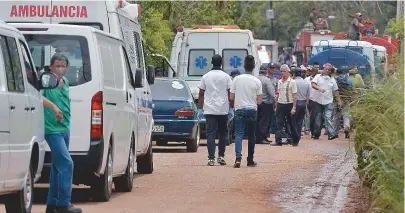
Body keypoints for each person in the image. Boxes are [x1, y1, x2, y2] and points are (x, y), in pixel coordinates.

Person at [42, 54, 82, 213]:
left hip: (64, 128)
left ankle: (52, 204)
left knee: (57, 167)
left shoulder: (64, 82)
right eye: (57, 65)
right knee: (66, 164)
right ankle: (64, 203)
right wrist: (53, 107)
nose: (60, 69)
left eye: (63, 66)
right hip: (51, 130)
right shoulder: (45, 81)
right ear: (51, 66)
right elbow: (37, 97)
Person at [198, 54, 233, 166]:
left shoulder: (206, 76)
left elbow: (201, 94)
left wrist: (200, 108)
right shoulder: (226, 77)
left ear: (212, 63)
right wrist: (231, 107)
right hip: (223, 109)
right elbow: (230, 93)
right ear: (221, 63)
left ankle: (211, 158)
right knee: (223, 133)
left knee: (210, 134)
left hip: (209, 109)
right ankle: (221, 157)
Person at [230, 55, 262, 168]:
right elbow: (259, 101)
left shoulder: (236, 79)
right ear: (253, 67)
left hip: (239, 109)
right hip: (252, 110)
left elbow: (231, 97)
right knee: (252, 135)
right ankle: (250, 159)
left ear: (244, 66)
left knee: (238, 134)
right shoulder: (257, 81)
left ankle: (238, 158)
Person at [311, 64, 342, 140]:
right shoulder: (318, 77)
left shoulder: (332, 80)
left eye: (329, 70)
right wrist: (319, 88)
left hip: (328, 101)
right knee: (318, 118)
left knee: (328, 117)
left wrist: (339, 101)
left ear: (331, 71)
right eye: (326, 69)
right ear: (323, 69)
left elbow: (336, 91)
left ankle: (331, 134)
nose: (327, 71)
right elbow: (313, 84)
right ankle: (316, 134)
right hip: (318, 101)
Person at [271, 64, 299, 146]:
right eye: (281, 71)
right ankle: (278, 140)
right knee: (279, 123)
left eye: (284, 71)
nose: (282, 73)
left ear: (288, 72)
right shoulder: (279, 82)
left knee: (291, 123)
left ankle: (295, 140)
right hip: (280, 104)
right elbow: (278, 94)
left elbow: (294, 95)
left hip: (289, 104)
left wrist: (294, 107)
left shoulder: (292, 82)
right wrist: (276, 105)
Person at [256, 64, 275, 144]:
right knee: (265, 121)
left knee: (258, 120)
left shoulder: (255, 79)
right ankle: (262, 138)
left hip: (256, 102)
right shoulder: (267, 80)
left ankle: (260, 137)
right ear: (266, 71)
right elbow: (271, 93)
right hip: (266, 103)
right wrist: (273, 101)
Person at [334, 69, 353, 138]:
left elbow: (333, 90)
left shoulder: (334, 80)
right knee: (346, 115)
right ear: (343, 73)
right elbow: (352, 90)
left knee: (336, 116)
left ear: (336, 73)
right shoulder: (348, 80)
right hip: (346, 100)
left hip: (337, 100)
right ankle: (346, 128)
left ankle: (335, 132)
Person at [293, 68, 310, 143]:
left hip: (295, 103)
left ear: (294, 74)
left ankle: (294, 136)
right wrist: (305, 104)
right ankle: (298, 135)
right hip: (303, 103)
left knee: (293, 120)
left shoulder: (293, 82)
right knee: (300, 121)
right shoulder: (306, 83)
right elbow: (308, 96)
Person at [304, 66, 319, 137]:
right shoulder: (306, 80)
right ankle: (307, 129)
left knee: (314, 117)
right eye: (314, 72)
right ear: (312, 72)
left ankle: (313, 132)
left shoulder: (319, 80)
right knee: (307, 116)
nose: (315, 73)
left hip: (316, 100)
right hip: (308, 100)